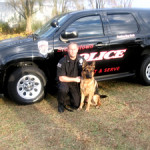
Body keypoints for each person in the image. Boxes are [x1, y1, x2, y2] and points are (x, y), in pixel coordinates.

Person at [57, 43, 84, 113]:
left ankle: (68, 98)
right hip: (65, 82)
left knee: (76, 104)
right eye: (71, 49)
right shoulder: (62, 61)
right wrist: (75, 79)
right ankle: (61, 104)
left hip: (75, 84)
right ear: (68, 50)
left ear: (77, 50)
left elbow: (86, 72)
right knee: (63, 89)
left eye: (74, 49)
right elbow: (61, 78)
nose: (73, 51)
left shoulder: (81, 60)